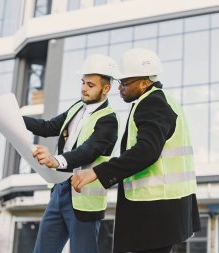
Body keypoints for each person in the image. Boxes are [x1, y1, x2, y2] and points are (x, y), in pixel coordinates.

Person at [71, 48, 201, 253]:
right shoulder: (166, 101)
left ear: (144, 82)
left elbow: (146, 151)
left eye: (125, 83)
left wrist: (97, 171)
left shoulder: (152, 103)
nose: (119, 88)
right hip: (167, 206)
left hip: (154, 208)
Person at [23, 54, 119, 253]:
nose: (84, 88)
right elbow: (47, 127)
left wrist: (55, 161)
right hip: (60, 190)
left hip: (84, 197)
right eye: (83, 82)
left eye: (90, 85)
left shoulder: (109, 120)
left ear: (106, 89)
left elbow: (88, 151)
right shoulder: (76, 107)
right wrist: (13, 118)